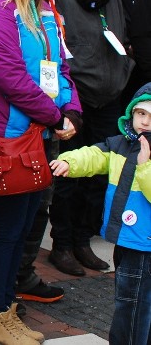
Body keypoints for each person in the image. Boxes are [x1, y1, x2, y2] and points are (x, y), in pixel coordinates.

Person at [0, 0, 81, 345]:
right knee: (5, 229)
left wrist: (72, 111)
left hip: (41, 130)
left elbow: (61, 69)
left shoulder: (45, 11)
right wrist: (55, 116)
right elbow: (9, 78)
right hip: (12, 137)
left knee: (26, 225)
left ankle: (5, 307)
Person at [48, 0, 134, 277]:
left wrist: (123, 67)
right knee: (71, 172)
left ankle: (83, 239)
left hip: (109, 94)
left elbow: (122, 34)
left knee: (100, 174)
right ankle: (63, 244)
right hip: (77, 95)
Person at [50, 83, 151, 345]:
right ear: (131, 114)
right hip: (126, 239)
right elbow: (95, 155)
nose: (145, 123)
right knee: (135, 300)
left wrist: (144, 167)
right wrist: (69, 162)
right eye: (141, 114)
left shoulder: (143, 154)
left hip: (144, 244)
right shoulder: (121, 144)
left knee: (132, 304)